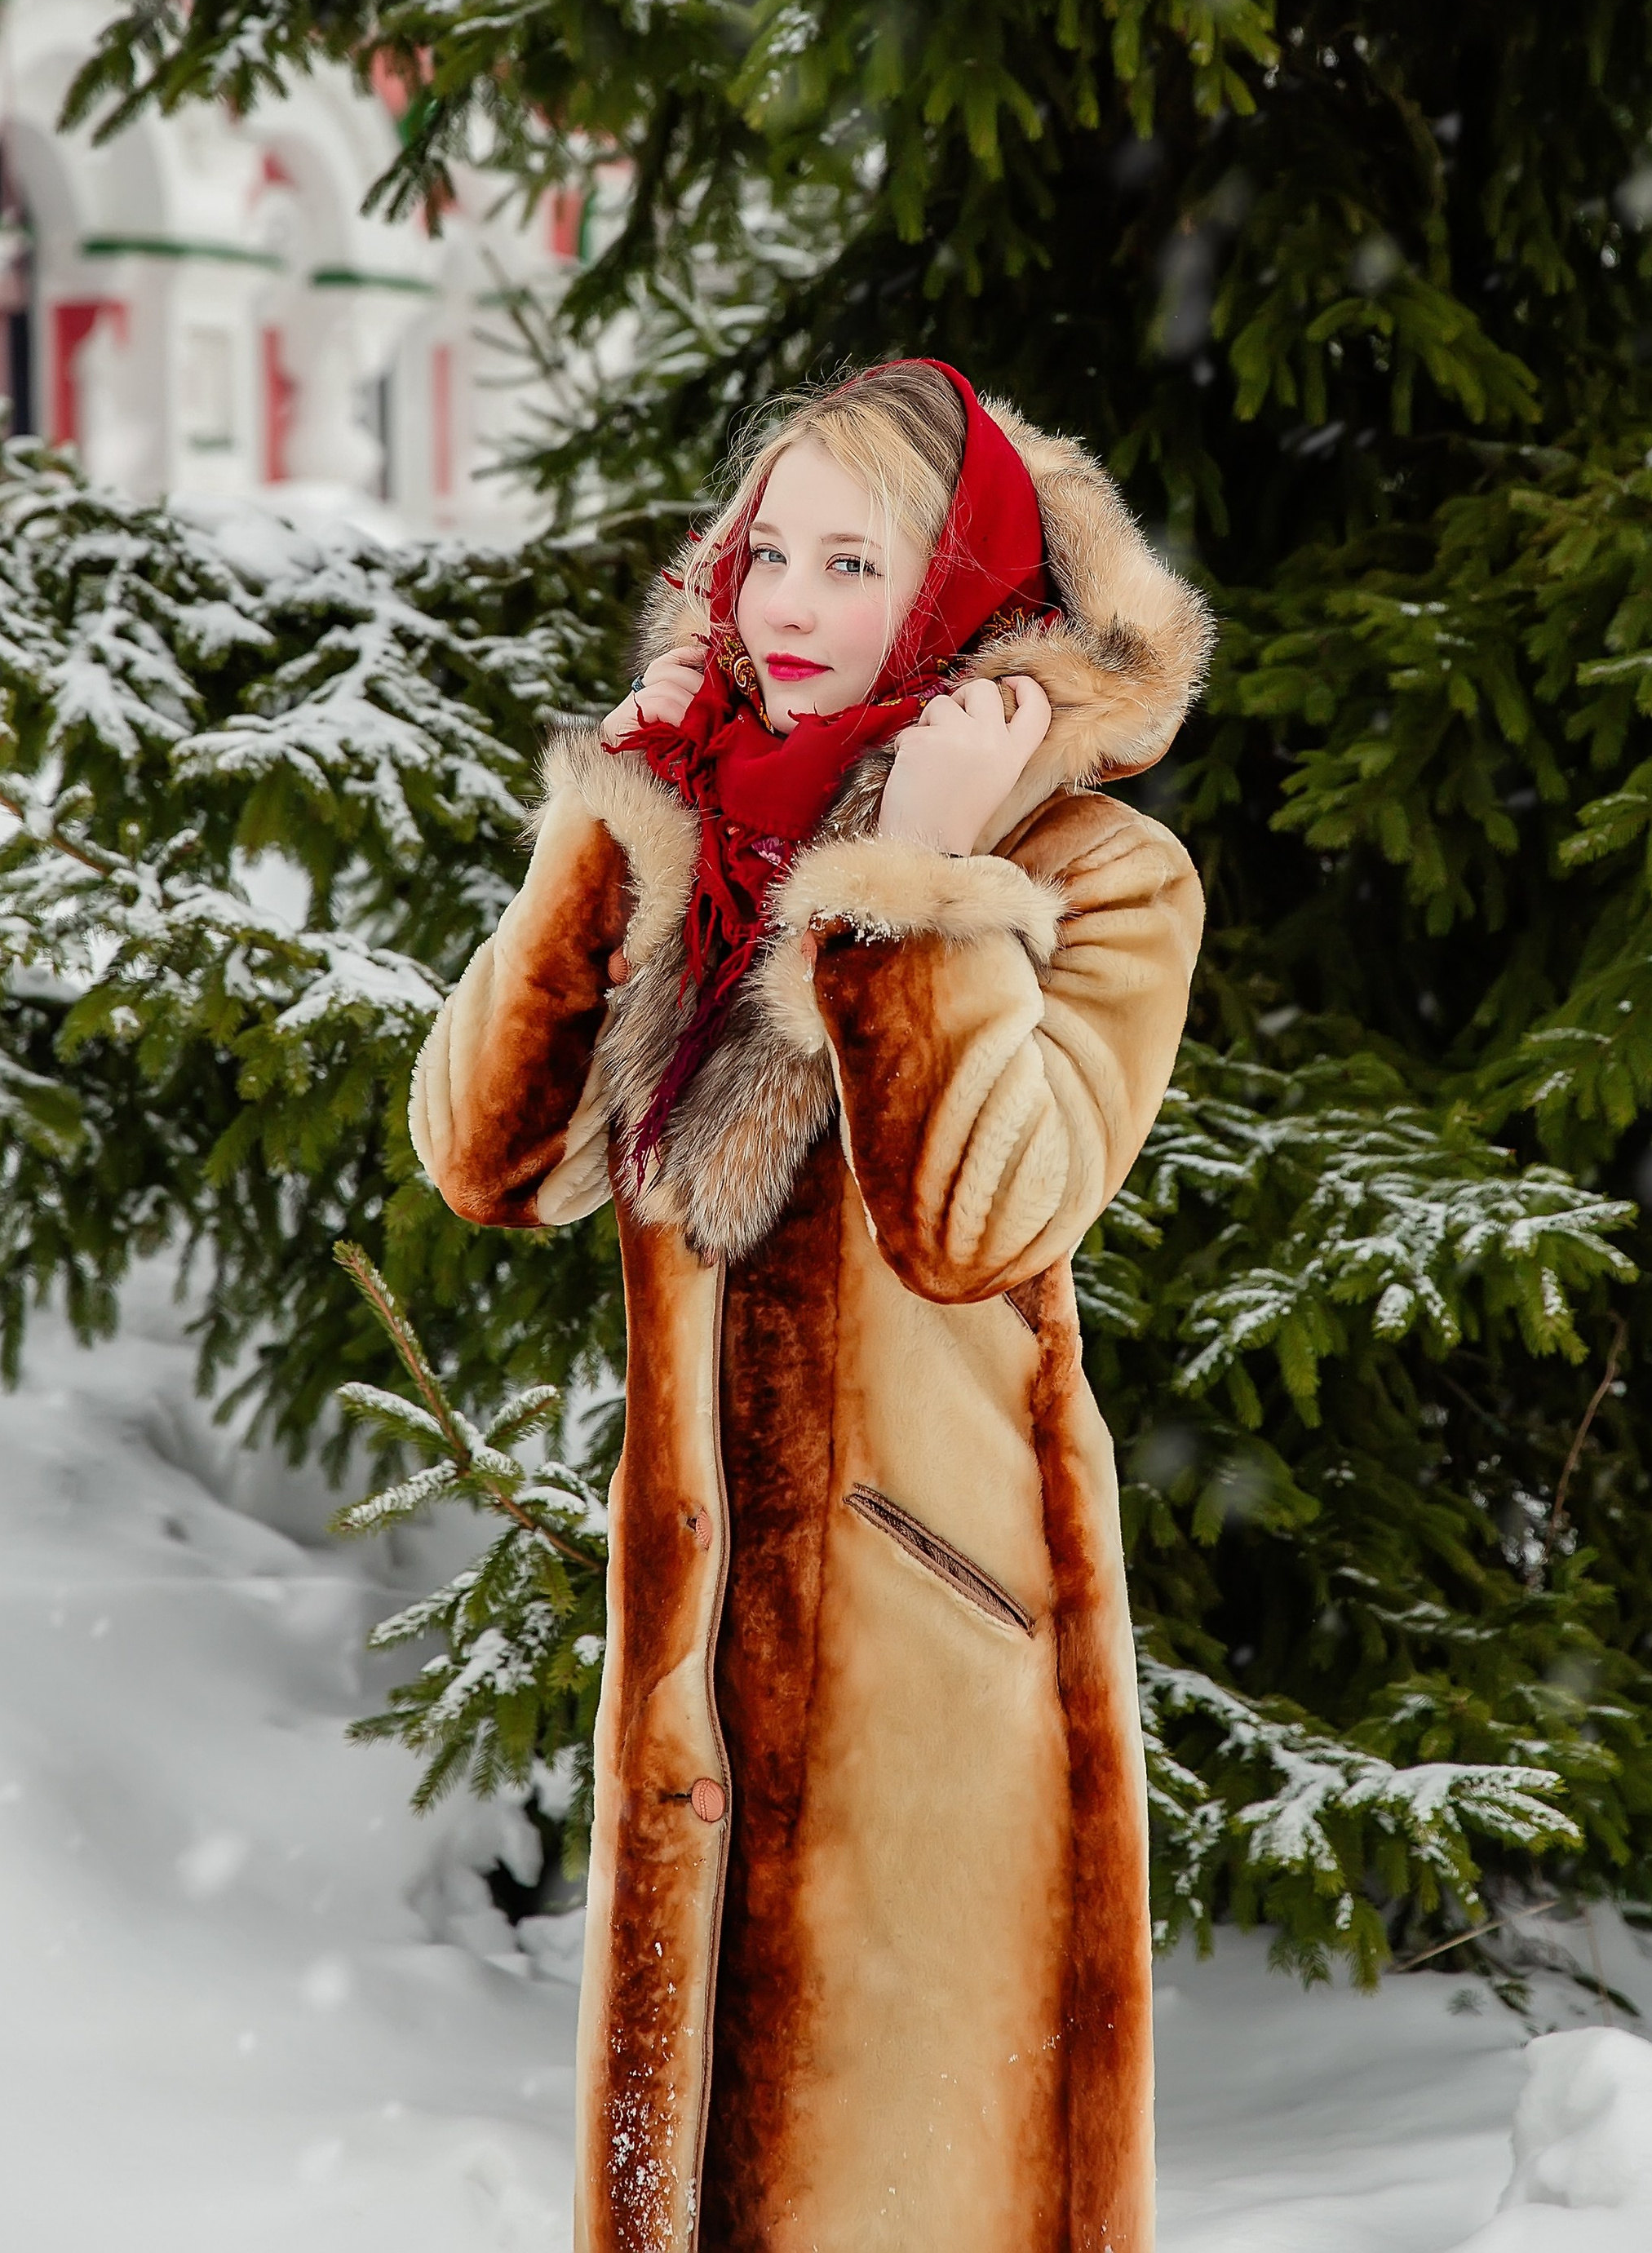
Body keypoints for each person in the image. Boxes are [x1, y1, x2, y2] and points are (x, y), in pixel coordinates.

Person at [409, 360, 1211, 2253]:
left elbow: (973, 1220)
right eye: (767, 551)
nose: (782, 603)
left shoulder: (1095, 873)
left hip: (930, 1684)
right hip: (691, 1669)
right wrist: (606, 828)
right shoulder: (690, 841)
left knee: (903, 2190)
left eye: (854, 564)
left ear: (963, 596)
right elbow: (489, 1157)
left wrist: (915, 888)